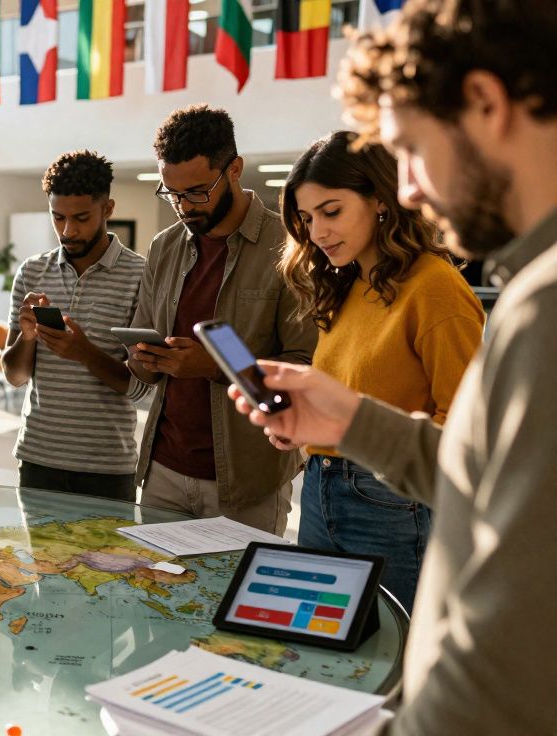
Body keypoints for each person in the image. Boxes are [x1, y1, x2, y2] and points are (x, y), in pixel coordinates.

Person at [230, 0, 557, 731]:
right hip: (332, 486)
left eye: (409, 149)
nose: (408, 188)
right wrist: (343, 420)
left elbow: (510, 641)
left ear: (484, 103)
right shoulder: (523, 286)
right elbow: (484, 475)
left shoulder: (537, 301)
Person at [277, 131, 484, 611]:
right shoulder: (344, 286)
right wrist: (305, 424)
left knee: (397, 659)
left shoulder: (435, 288)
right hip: (319, 487)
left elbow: (468, 432)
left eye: (332, 211)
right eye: (307, 219)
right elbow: (356, 391)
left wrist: (363, 438)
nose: (318, 233)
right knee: (316, 648)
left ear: (381, 201)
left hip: (394, 503)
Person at [127, 105, 318, 534]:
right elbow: (140, 361)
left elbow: (304, 366)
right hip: (162, 471)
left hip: (246, 480)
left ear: (234, 169)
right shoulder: (165, 246)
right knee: (157, 597)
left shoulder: (288, 247)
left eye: (196, 192)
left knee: (237, 599)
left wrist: (213, 367)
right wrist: (145, 356)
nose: (182, 206)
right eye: (171, 193)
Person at [1, 150, 149, 499]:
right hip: (37, 460)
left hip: (108, 468)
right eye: (58, 217)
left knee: (108, 558)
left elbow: (140, 388)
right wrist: (27, 337)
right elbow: (15, 376)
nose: (68, 230)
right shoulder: (32, 272)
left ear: (108, 209)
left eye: (81, 218)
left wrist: (83, 353)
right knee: (40, 557)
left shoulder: (141, 276)